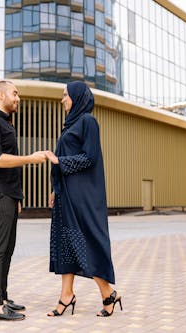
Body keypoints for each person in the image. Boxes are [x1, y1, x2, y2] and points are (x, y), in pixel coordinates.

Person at [45, 81, 122, 317]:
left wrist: (59, 161)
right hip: (66, 195)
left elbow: (90, 157)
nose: (62, 100)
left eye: (65, 95)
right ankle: (66, 295)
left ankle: (108, 292)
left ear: (77, 97)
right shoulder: (70, 125)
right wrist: (56, 189)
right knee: (66, 243)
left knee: (86, 242)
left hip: (83, 197)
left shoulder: (88, 121)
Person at [0, 80, 47, 321]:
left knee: (7, 249)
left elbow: (9, 167)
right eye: (15, 93)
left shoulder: (5, 123)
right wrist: (29, 158)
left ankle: (3, 298)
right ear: (1, 95)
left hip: (8, 195)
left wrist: (17, 196)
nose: (18, 98)